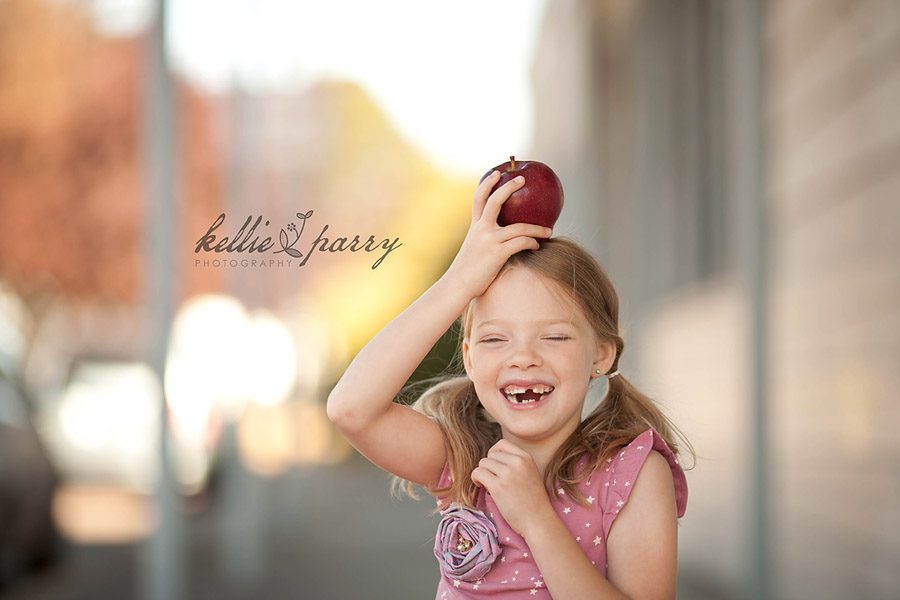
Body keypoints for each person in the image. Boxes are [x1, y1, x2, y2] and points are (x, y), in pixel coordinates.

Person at [327, 171, 694, 599]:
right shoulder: (463, 460)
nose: (523, 357)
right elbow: (350, 408)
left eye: (554, 336)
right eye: (495, 339)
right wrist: (459, 281)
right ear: (468, 358)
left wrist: (536, 518)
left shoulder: (630, 475)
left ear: (602, 354)